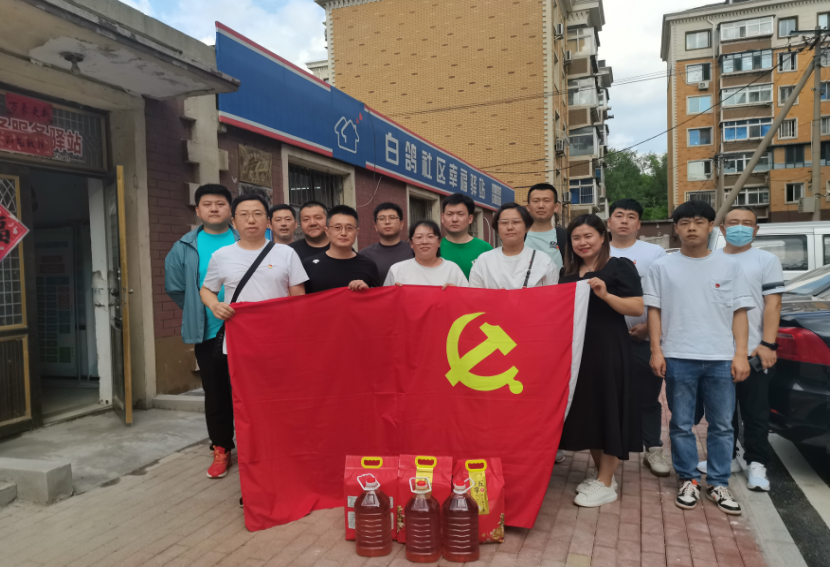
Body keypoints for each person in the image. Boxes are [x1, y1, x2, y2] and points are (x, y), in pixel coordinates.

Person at [644, 200, 753, 516]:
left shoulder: (730, 266)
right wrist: (656, 350)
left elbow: (740, 313)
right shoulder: (662, 267)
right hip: (678, 356)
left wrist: (740, 355)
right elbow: (654, 311)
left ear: (711, 226)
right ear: (676, 228)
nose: (691, 228)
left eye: (698, 222)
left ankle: (718, 483)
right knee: (681, 423)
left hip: (720, 357)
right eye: (684, 223)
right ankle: (688, 479)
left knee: (722, 425)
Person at [200, 193, 307, 507]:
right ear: (233, 221)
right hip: (239, 345)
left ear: (268, 221)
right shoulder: (222, 256)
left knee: (276, 408)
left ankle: (281, 464)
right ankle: (248, 471)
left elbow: (298, 298)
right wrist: (215, 305)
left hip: (278, 345)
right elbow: (207, 289)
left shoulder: (286, 254)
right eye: (244, 214)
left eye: (258, 213)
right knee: (243, 409)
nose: (251, 220)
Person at [695, 207, 784, 492]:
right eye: (733, 222)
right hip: (718, 350)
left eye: (747, 223)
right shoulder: (710, 259)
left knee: (755, 411)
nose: (740, 227)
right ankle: (728, 458)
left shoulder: (766, 260)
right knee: (721, 413)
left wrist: (767, 344)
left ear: (756, 230)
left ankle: (756, 462)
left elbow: (773, 304)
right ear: (722, 229)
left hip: (754, 351)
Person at [558, 214, 645, 507]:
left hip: (608, 349)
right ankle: (603, 475)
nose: (582, 242)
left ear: (602, 236)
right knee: (591, 411)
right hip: (577, 353)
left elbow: (636, 306)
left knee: (609, 408)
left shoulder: (618, 266)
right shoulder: (567, 271)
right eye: (576, 238)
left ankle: (606, 483)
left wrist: (606, 295)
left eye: (588, 236)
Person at [164, 184, 238, 480]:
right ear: (197, 210)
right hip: (208, 332)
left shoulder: (246, 238)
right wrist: (199, 309)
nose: (214, 208)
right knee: (216, 392)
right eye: (207, 204)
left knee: (252, 391)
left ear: (230, 209)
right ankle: (221, 447)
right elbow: (175, 287)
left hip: (247, 330)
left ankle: (257, 446)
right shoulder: (184, 247)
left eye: (220, 203)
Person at [606, 199, 669, 478]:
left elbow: (666, 294)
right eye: (618, 215)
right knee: (608, 398)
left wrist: (649, 327)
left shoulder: (655, 253)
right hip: (607, 340)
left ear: (639, 224)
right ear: (608, 221)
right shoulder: (599, 250)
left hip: (643, 338)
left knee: (647, 398)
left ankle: (652, 448)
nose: (624, 221)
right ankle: (608, 453)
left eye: (631, 216)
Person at [469, 202, 557, 289]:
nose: (510, 227)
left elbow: (553, 296)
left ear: (527, 227)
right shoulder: (483, 261)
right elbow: (474, 296)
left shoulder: (544, 261)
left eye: (516, 222)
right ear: (497, 228)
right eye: (504, 222)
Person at [303, 205, 381, 293]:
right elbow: (301, 299)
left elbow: (378, 298)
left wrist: (367, 292)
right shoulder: (308, 265)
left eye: (349, 228)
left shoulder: (369, 265)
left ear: (357, 232)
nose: (343, 233)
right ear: (327, 231)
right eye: (337, 228)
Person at [384, 220, 468, 287]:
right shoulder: (397, 270)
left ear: (439, 242)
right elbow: (386, 300)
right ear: (411, 243)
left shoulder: (452, 269)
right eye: (419, 237)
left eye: (430, 237)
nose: (424, 241)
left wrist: (456, 292)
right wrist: (395, 293)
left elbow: (467, 299)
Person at [440, 193, 492, 279]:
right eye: (450, 214)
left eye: (460, 214)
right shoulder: (434, 247)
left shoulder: (484, 248)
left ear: (470, 218)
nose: (454, 219)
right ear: (442, 217)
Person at [359, 202, 414, 282]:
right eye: (382, 218)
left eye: (392, 218)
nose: (387, 222)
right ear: (375, 226)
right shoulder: (365, 255)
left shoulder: (413, 250)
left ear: (401, 224)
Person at [525, 182, 567, 270]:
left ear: (556, 207)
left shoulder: (566, 237)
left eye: (546, 201)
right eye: (536, 201)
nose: (541, 206)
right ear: (528, 207)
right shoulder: (519, 236)